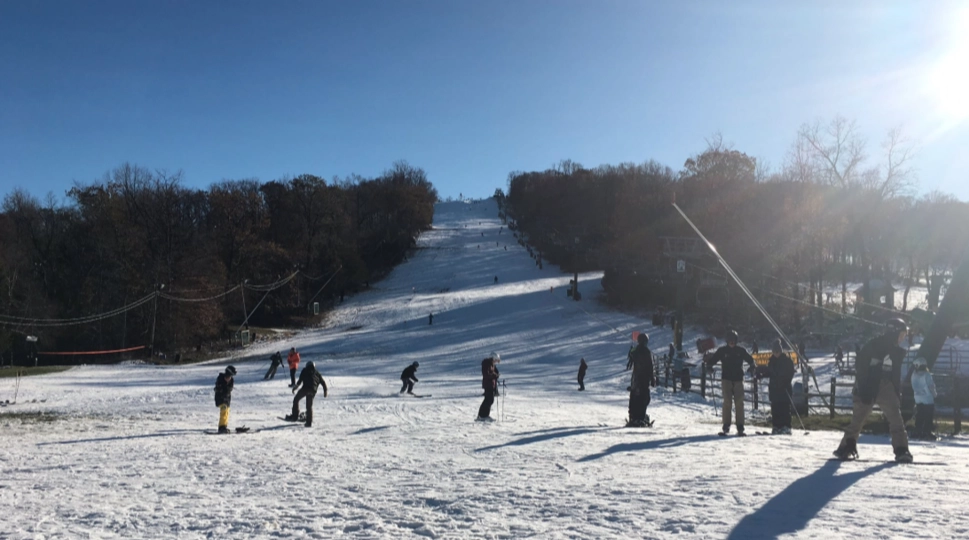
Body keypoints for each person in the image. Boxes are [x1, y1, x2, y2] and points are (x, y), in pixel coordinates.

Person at [833, 318, 912, 462]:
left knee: (896, 418)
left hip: (887, 386)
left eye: (904, 335)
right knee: (859, 418)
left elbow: (895, 373)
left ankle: (902, 449)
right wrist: (863, 387)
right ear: (893, 332)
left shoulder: (897, 351)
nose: (903, 338)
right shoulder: (874, 345)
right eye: (902, 334)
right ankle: (847, 446)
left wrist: (896, 391)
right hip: (869, 384)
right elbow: (861, 366)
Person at [706, 330, 755, 436]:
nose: (732, 342)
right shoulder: (722, 351)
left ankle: (740, 426)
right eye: (730, 340)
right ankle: (726, 425)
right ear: (727, 341)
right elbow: (713, 360)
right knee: (727, 402)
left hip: (738, 379)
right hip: (726, 379)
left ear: (736, 341)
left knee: (739, 403)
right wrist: (709, 366)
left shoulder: (741, 350)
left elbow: (750, 360)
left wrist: (752, 367)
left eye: (733, 340)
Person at [761, 340, 795, 435]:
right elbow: (770, 372)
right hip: (774, 388)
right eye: (774, 351)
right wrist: (762, 375)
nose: (776, 353)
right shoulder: (771, 361)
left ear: (781, 350)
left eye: (778, 351)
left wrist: (786, 381)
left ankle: (786, 426)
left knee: (784, 407)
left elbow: (790, 372)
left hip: (784, 387)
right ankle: (776, 426)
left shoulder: (787, 360)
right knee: (775, 408)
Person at [287, 361, 328, 427]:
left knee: (296, 400)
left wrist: (295, 387)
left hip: (305, 389)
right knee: (309, 406)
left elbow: (300, 380)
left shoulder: (305, 370)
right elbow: (323, 382)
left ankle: (295, 416)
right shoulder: (317, 373)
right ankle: (309, 422)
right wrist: (325, 391)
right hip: (313, 390)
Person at [626, 333, 655, 427]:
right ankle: (640, 417)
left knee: (634, 397)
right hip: (643, 378)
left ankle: (633, 416)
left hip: (635, 378)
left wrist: (633, 349)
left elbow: (631, 354)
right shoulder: (646, 351)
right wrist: (652, 378)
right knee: (644, 398)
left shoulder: (636, 350)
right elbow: (650, 366)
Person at [910, 357, 938, 440]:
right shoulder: (926, 374)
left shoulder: (914, 374)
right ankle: (927, 431)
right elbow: (931, 386)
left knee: (920, 414)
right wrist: (934, 394)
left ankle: (918, 430)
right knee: (928, 415)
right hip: (927, 398)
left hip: (918, 397)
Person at [477, 352, 500, 421]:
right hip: (488, 384)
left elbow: (495, 372)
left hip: (491, 384)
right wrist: (494, 375)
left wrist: (496, 374)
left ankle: (484, 415)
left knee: (490, 400)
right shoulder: (486, 364)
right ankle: (482, 415)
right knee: (488, 400)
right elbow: (486, 374)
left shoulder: (492, 364)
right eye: (495, 359)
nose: (496, 361)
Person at [214, 365, 237, 434]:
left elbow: (229, 390)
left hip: (227, 399)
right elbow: (217, 389)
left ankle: (224, 425)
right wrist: (221, 388)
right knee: (223, 410)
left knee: (227, 412)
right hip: (220, 399)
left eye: (230, 377)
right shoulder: (220, 379)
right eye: (227, 377)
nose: (228, 379)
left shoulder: (231, 381)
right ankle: (221, 427)